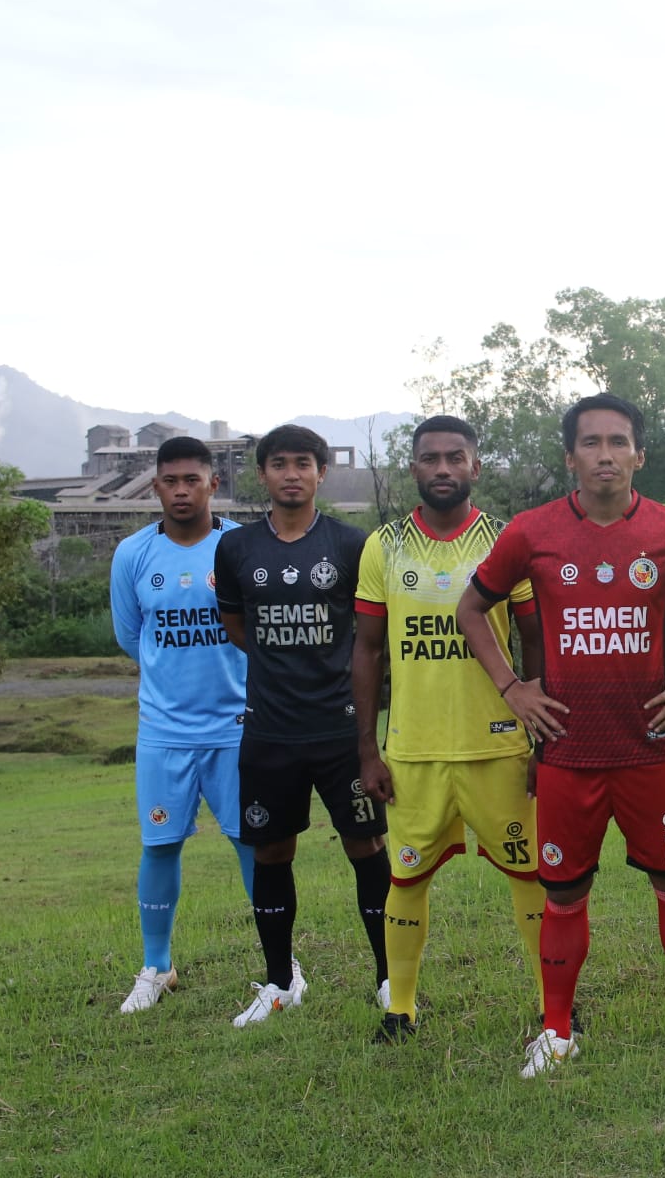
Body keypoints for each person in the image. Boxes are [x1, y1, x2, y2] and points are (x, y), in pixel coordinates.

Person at [457, 393, 665, 1078]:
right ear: (570, 456)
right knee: (563, 896)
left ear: (639, 453)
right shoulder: (532, 531)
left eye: (618, 442)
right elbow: (471, 608)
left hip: (649, 749)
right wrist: (514, 688)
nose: (604, 455)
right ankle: (557, 1031)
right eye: (591, 443)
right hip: (568, 754)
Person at [353, 415, 547, 1044]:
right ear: (413, 467)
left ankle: (554, 1007)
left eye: (455, 458)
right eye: (430, 458)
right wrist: (368, 749)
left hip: (498, 745)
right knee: (405, 877)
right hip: (414, 751)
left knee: (529, 874)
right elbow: (367, 652)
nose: (443, 468)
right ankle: (400, 1009)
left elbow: (536, 639)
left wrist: (541, 736)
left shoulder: (506, 540)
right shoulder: (383, 546)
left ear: (475, 467)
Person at [214, 424, 388, 1026]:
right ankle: (280, 981)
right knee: (270, 850)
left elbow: (372, 638)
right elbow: (239, 628)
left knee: (365, 845)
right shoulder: (236, 549)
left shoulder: (352, 545)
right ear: (261, 474)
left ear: (320, 473)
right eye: (279, 463)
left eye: (303, 463)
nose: (292, 473)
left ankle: (391, 976)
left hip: (342, 730)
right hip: (269, 731)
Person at [109, 436, 253, 1013]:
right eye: (170, 481)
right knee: (160, 845)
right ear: (155, 487)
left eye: (192, 479)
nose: (181, 490)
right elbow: (130, 636)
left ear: (213, 484)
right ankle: (156, 966)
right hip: (164, 734)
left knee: (254, 843)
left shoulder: (241, 547)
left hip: (237, 726)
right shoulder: (134, 554)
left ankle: (279, 962)